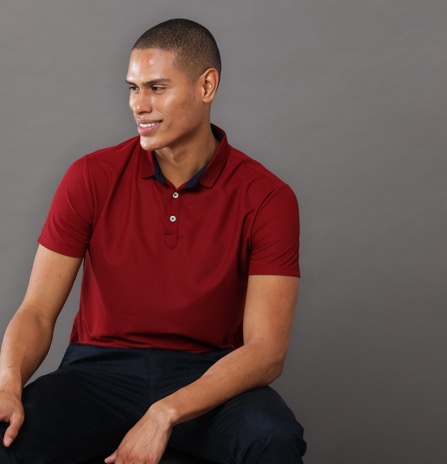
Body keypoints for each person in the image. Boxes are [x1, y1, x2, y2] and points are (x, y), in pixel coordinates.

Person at [0, 18, 306, 463]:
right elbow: (37, 312)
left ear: (207, 86)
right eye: (133, 88)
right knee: (7, 436)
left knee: (272, 439)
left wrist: (165, 412)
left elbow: (267, 351)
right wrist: (7, 384)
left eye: (157, 88)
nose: (139, 105)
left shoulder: (268, 197)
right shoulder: (90, 177)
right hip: (96, 373)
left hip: (209, 374)